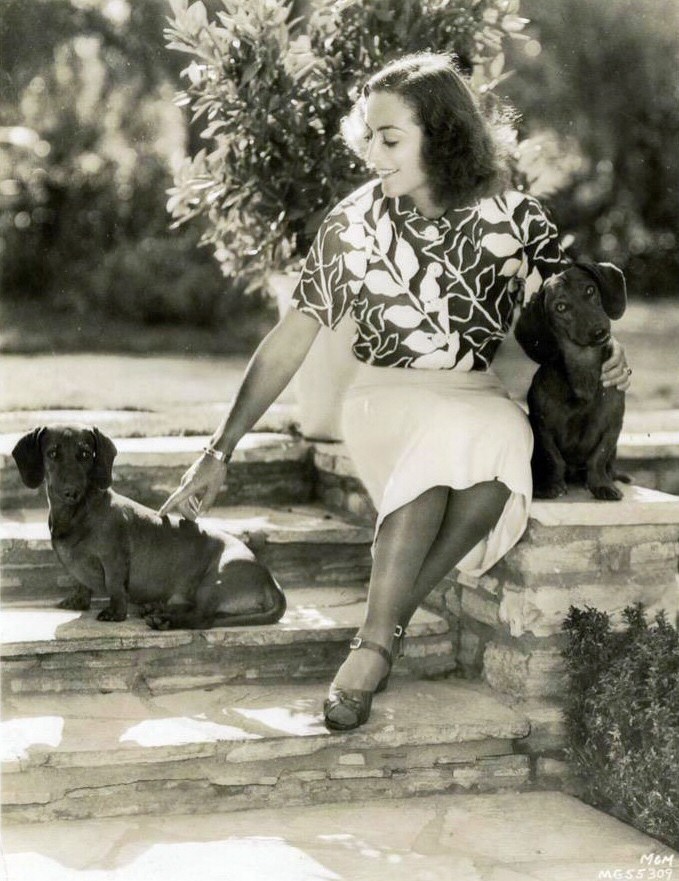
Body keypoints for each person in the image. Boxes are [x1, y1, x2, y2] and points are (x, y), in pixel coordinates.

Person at [159, 53, 632, 732]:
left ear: (441, 135)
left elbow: (574, 300)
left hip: (472, 392)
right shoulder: (352, 226)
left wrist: (612, 354)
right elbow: (290, 338)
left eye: (390, 139)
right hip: (385, 395)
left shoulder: (514, 217)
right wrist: (219, 448)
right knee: (464, 438)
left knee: (501, 439)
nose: (372, 156)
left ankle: (384, 624)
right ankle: (376, 644)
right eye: (368, 138)